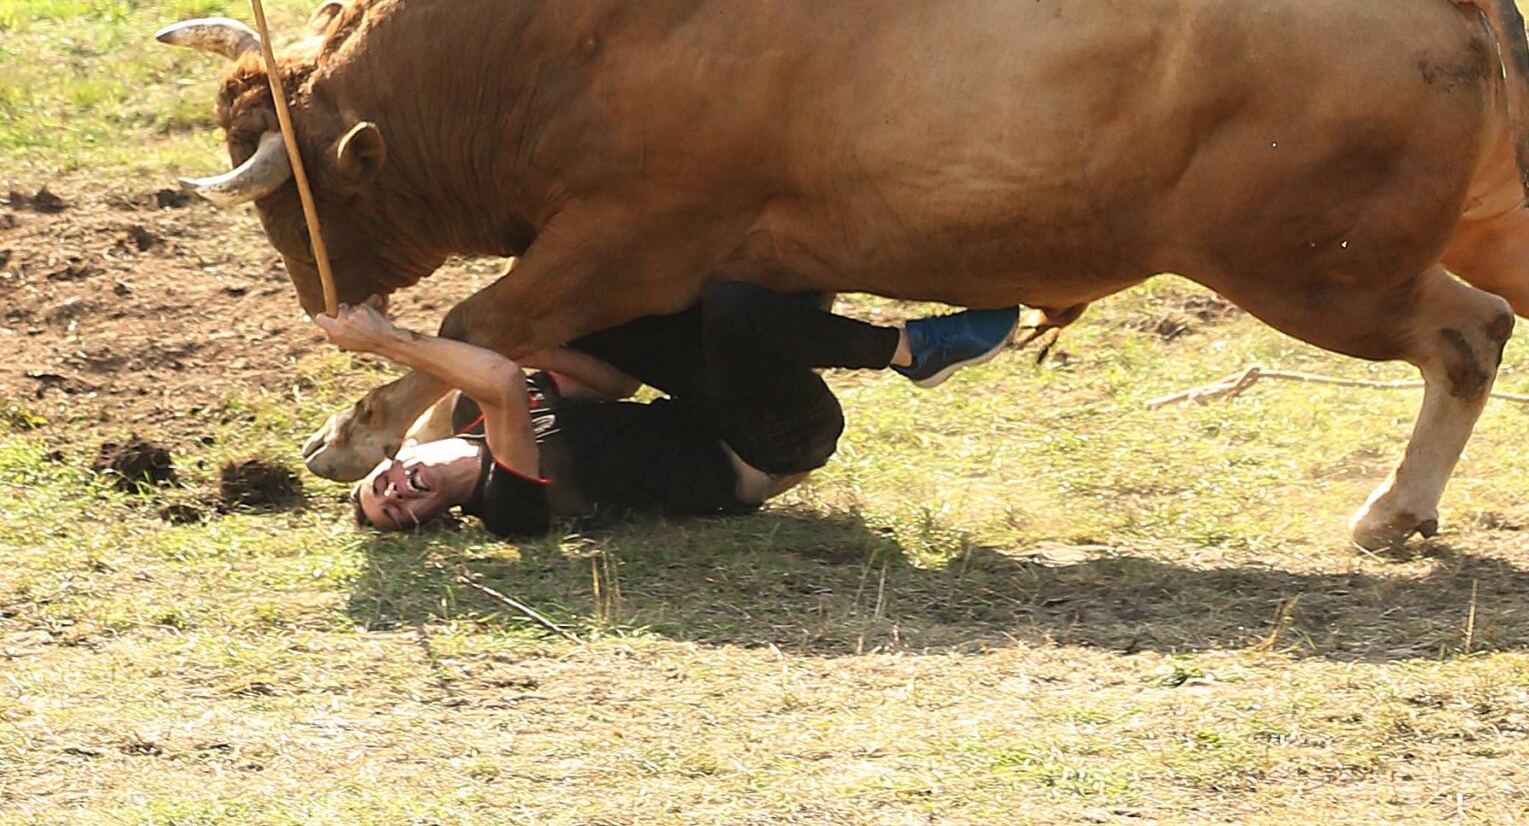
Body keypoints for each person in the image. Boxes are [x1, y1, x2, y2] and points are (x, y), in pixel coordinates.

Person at [317, 284, 1022, 536]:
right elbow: (502, 377)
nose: (401, 494)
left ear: (393, 458)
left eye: (385, 488)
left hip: (703, 406)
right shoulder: (509, 507)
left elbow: (613, 382)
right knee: (736, 312)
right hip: (764, 449)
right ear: (432, 518)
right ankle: (908, 350)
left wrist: (549, 346)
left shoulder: (469, 412)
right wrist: (389, 342)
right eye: (404, 512)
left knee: (599, 310)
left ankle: (789, 308)